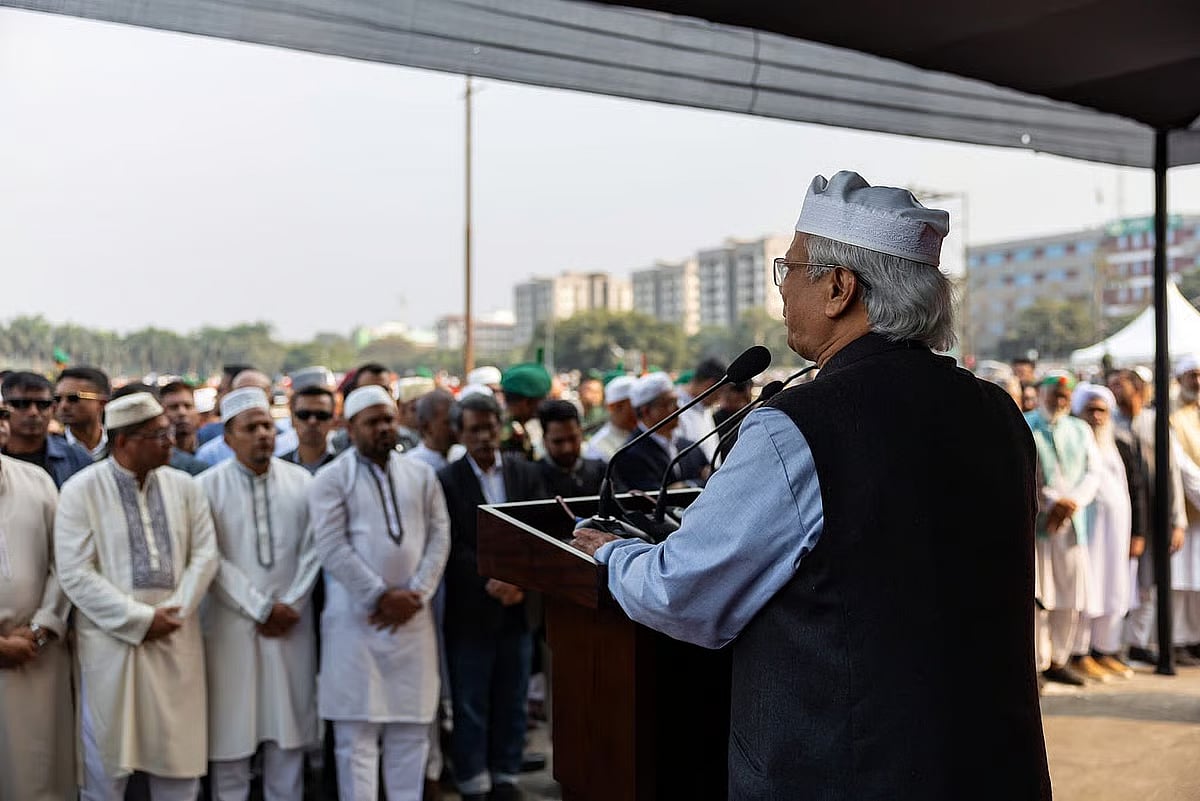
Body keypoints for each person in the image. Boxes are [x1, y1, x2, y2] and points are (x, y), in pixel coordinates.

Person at [571, 170, 1050, 800]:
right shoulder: (998, 411)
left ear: (838, 288)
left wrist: (608, 554)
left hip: (847, 775)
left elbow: (682, 592)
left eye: (790, 270)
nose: (783, 291)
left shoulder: (798, 428)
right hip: (992, 766)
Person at [55, 392, 218, 801]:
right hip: (113, 647)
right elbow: (75, 571)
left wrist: (174, 611)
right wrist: (140, 620)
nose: (170, 439)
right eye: (157, 434)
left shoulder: (185, 487)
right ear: (125, 441)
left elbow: (205, 553)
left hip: (177, 640)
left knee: (178, 762)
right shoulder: (81, 490)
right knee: (107, 764)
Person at [310, 385, 450, 801]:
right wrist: (379, 596)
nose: (384, 428)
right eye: (373, 422)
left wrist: (416, 593)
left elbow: (440, 534)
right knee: (356, 742)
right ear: (349, 428)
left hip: (413, 623)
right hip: (356, 626)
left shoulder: (421, 474)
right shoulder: (330, 479)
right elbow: (331, 545)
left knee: (411, 737)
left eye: (388, 418)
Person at [201, 388, 321, 801]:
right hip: (230, 629)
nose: (263, 435)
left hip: (291, 626)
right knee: (230, 739)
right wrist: (259, 607)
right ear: (228, 437)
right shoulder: (205, 488)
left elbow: (313, 549)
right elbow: (209, 558)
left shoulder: (303, 483)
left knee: (287, 738)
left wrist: (293, 603)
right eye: (250, 428)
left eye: (268, 425)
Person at [437, 393, 547, 801]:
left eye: (489, 427)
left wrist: (518, 581)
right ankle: (473, 780)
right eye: (474, 430)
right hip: (472, 608)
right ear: (459, 433)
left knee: (513, 695)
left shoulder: (523, 473)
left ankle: (505, 774)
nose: (484, 437)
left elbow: (537, 530)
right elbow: (452, 543)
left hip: (518, 606)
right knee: (470, 701)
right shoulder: (447, 480)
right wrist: (491, 580)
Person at [0, 405, 75, 801]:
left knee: (40, 774)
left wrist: (41, 626)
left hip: (36, 653)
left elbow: (65, 563)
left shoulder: (37, 482)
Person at [1026, 373, 1105, 685]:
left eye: (1064, 396)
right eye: (1054, 395)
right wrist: (1053, 502)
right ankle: (1037, 662)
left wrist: (1072, 502)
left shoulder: (1080, 428)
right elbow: (1026, 472)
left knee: (1070, 594)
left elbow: (1093, 472)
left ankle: (1059, 658)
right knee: (1039, 595)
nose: (1059, 401)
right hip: (1041, 525)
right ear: (1041, 394)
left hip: (1073, 525)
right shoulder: (1027, 424)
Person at [1108, 367, 1189, 664]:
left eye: (1121, 385)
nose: (1115, 390)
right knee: (1122, 578)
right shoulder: (1110, 423)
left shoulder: (1156, 423)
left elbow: (1172, 474)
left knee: (1150, 582)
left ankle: (1139, 642)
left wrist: (1177, 520)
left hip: (1155, 513)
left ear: (1138, 389)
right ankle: (1114, 644)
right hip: (1124, 513)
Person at [1072, 383, 1140, 678]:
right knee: (1089, 592)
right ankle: (1081, 652)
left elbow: (1136, 490)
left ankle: (1105, 650)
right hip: (1087, 534)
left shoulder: (1119, 443)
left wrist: (1138, 532)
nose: (1097, 417)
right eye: (1091, 410)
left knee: (1114, 589)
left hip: (1117, 534)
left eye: (1102, 411)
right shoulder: (1076, 441)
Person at [610, 372, 707, 492]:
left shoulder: (690, 446)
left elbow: (712, 479)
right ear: (646, 411)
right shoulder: (629, 454)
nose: (678, 408)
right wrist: (696, 484)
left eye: (677, 401)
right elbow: (654, 497)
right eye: (670, 404)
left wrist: (687, 485)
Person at [1, 371, 91, 488]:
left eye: (42, 404)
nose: (33, 412)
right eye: (22, 404)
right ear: (4, 407)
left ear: (53, 409)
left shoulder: (76, 459)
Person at [195, 370, 298, 466]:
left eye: (266, 426)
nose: (261, 434)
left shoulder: (291, 445)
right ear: (228, 439)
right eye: (250, 428)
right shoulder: (209, 454)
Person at [1168, 355, 1200, 663]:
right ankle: (1176, 640)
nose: (1197, 381)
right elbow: (1183, 467)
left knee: (1196, 582)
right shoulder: (1171, 416)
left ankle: (1193, 639)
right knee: (1179, 582)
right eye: (1192, 375)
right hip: (1185, 512)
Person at [537, 399, 604, 498]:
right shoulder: (532, 479)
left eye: (572, 439)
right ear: (544, 441)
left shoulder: (602, 472)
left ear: (581, 434)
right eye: (558, 442)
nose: (567, 449)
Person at [675, 357, 726, 462]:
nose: (719, 398)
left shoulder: (705, 408)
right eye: (719, 392)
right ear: (709, 385)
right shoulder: (675, 410)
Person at [55, 365, 111, 459]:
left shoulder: (118, 447)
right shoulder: (51, 450)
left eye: (73, 398)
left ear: (101, 403)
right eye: (58, 399)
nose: (63, 405)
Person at [499, 364, 551, 461]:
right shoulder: (506, 432)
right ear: (526, 402)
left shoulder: (520, 424)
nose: (543, 406)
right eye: (541, 400)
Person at [281, 386, 338, 474]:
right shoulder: (279, 468)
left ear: (333, 421)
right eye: (304, 415)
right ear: (292, 420)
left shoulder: (348, 466)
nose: (312, 421)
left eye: (321, 415)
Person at [582, 376, 636, 463]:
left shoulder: (648, 433)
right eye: (634, 405)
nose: (641, 410)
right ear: (615, 407)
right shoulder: (598, 448)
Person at [159, 380, 200, 455]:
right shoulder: (157, 453)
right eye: (173, 407)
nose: (182, 412)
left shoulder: (212, 450)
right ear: (162, 413)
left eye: (188, 406)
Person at [396, 377, 437, 453]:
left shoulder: (431, 436)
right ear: (401, 407)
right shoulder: (396, 438)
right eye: (415, 409)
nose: (423, 415)